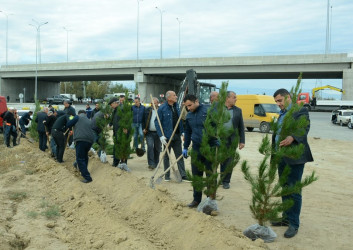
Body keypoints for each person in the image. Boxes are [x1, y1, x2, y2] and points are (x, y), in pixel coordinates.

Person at [270, 88, 314, 238]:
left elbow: (304, 127)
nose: (278, 104)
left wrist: (293, 137)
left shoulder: (300, 110)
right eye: (276, 102)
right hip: (281, 157)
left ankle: (294, 224)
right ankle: (286, 218)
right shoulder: (281, 114)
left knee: (294, 190)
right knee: (284, 188)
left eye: (280, 101)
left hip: (294, 157)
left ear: (288, 97)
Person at [182, 94, 212, 207]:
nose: (188, 108)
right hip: (196, 149)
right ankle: (196, 200)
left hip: (209, 148)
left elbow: (216, 126)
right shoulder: (189, 116)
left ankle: (210, 200)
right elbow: (188, 132)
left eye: (190, 105)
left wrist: (216, 141)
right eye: (186, 106)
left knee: (210, 175)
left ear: (196, 101)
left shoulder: (208, 110)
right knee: (196, 175)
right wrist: (185, 147)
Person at [155, 90, 188, 182]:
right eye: (174, 95)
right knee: (166, 156)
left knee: (179, 155)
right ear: (169, 98)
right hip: (167, 137)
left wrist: (182, 131)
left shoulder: (177, 106)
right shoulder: (162, 108)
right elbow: (157, 122)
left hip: (177, 136)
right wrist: (161, 136)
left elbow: (179, 120)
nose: (176, 97)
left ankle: (183, 175)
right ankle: (166, 175)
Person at [220, 91, 245, 189]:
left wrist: (242, 141)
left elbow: (241, 127)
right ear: (227, 98)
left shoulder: (238, 110)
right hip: (219, 139)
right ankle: (220, 179)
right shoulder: (219, 109)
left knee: (229, 161)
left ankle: (226, 181)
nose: (236, 99)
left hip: (232, 140)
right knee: (220, 160)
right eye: (234, 97)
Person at [67, 110, 95, 183]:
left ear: (79, 114)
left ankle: (87, 177)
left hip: (80, 140)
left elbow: (68, 124)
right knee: (85, 156)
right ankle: (84, 171)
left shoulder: (77, 117)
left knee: (80, 158)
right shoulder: (89, 120)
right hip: (90, 141)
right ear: (85, 114)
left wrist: (70, 120)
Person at [110, 95, 130, 168]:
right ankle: (116, 163)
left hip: (121, 132)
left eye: (111, 104)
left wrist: (125, 128)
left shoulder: (121, 109)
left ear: (115, 103)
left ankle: (122, 163)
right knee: (116, 148)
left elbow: (126, 119)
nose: (111, 106)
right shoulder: (115, 110)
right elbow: (113, 120)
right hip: (116, 132)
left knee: (122, 148)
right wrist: (110, 124)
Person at [143, 97, 161, 170]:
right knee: (150, 147)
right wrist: (144, 128)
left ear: (157, 103)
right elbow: (143, 120)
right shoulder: (147, 110)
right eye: (151, 103)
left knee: (157, 148)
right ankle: (151, 163)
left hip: (158, 133)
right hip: (149, 132)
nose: (152, 104)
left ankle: (156, 162)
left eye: (154, 103)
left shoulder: (160, 111)